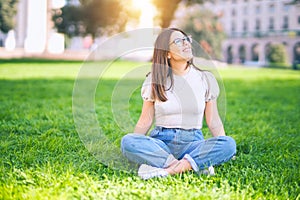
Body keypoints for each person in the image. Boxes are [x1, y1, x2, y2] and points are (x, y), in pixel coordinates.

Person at [121, 28, 236, 180]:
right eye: (178, 41)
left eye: (186, 39)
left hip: (193, 142)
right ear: (167, 53)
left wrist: (223, 148)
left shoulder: (205, 79)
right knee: (127, 141)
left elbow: (213, 120)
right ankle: (191, 165)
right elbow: (145, 119)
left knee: (229, 144)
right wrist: (137, 145)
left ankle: (165, 171)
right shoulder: (154, 81)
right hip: (162, 143)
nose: (186, 43)